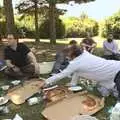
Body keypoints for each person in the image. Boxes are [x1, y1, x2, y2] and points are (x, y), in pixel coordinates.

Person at [44, 45, 120, 100]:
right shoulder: (84, 53)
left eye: (68, 55)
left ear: (73, 55)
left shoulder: (75, 64)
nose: (67, 57)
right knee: (105, 91)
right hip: (113, 68)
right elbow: (77, 71)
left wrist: (46, 82)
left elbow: (60, 75)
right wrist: (72, 84)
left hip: (117, 71)